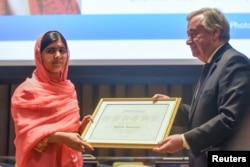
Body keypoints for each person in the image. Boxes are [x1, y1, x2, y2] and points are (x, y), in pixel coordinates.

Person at [152, 7, 250, 167]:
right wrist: (173, 108)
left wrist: (184, 140)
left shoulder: (233, 62)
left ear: (215, 33)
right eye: (187, 35)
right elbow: (206, 117)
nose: (188, 41)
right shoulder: (212, 65)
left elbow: (229, 118)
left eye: (193, 34)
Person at [11, 30, 94, 167]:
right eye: (50, 51)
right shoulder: (26, 91)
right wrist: (62, 137)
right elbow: (27, 135)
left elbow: (65, 129)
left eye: (62, 50)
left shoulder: (68, 88)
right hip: (39, 162)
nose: (58, 56)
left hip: (70, 161)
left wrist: (80, 128)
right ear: (39, 55)